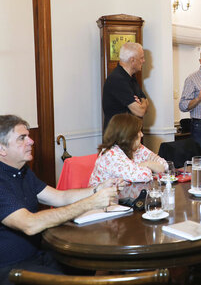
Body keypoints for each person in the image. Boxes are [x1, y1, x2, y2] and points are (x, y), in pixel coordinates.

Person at [0, 115, 120, 284]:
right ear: (2, 149)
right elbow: (29, 224)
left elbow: (59, 196)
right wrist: (91, 202)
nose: (31, 141)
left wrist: (96, 189)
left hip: (37, 255)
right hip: (10, 269)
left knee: (88, 263)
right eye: (22, 138)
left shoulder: (22, 171)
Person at [89, 114, 167, 197]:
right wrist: (149, 165)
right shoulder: (110, 155)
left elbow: (164, 165)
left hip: (123, 198)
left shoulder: (137, 148)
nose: (142, 135)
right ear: (128, 136)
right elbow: (144, 176)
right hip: (101, 202)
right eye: (139, 132)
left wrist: (145, 164)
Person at [102, 42, 148, 131]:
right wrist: (141, 104)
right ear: (132, 60)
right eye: (141, 58)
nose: (144, 61)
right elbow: (140, 111)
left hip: (129, 135)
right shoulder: (117, 79)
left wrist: (140, 103)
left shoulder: (131, 77)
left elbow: (146, 102)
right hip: (118, 137)